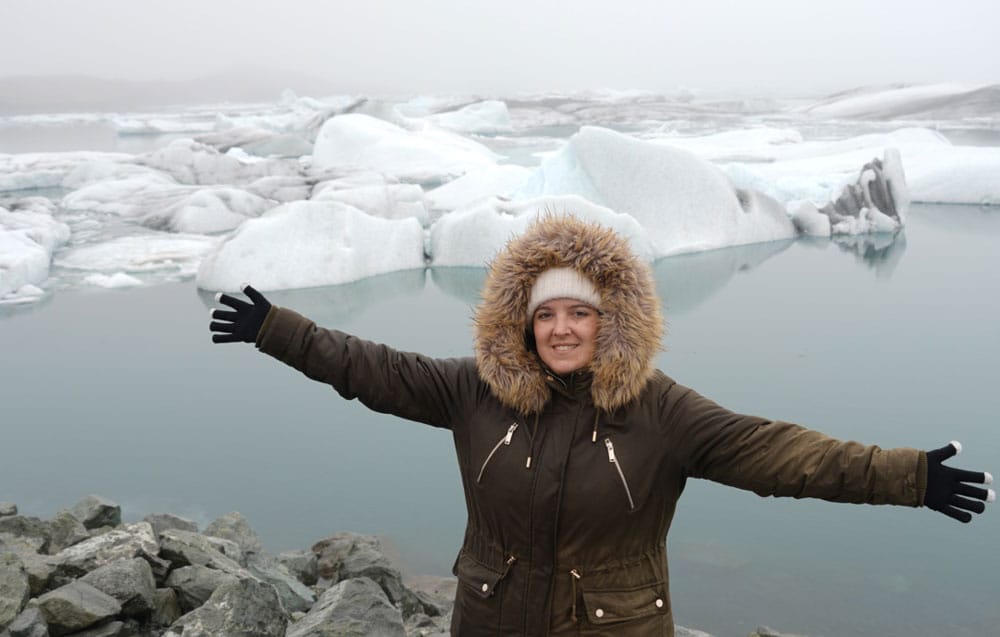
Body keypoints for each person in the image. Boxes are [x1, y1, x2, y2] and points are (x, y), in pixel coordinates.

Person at [209, 214, 993, 637]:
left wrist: (907, 476)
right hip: (491, 621)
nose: (559, 329)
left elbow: (779, 454)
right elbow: (370, 369)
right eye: (544, 313)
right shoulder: (473, 390)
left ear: (609, 319)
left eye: (577, 312)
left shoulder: (662, 409)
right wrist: (279, 329)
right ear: (522, 322)